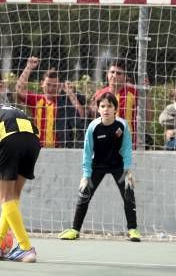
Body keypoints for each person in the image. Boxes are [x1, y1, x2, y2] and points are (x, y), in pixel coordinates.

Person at [58, 92, 141, 242]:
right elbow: (87, 152)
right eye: (103, 106)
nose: (106, 109)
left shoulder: (122, 125)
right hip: (98, 166)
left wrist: (128, 169)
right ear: (98, 109)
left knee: (129, 194)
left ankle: (132, 229)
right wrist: (86, 174)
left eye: (110, 106)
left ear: (115, 108)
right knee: (84, 194)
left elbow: (127, 148)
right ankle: (75, 230)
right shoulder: (93, 127)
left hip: (118, 165)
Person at [0, 96, 40, 262]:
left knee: (2, 196)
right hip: (33, 141)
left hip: (12, 139)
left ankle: (26, 247)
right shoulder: (11, 108)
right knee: (13, 197)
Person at [15, 57, 86, 149]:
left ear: (59, 86)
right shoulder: (37, 99)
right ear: (42, 84)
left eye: (54, 86)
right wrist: (29, 67)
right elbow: (19, 89)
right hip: (38, 147)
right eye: (48, 84)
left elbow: (80, 114)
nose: (51, 88)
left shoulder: (63, 102)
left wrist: (70, 93)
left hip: (59, 148)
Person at [91, 59, 149, 148]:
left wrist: (145, 95)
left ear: (125, 76)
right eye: (112, 72)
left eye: (118, 73)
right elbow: (93, 118)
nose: (114, 75)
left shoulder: (133, 93)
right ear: (107, 74)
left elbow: (148, 118)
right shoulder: (99, 94)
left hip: (128, 144)